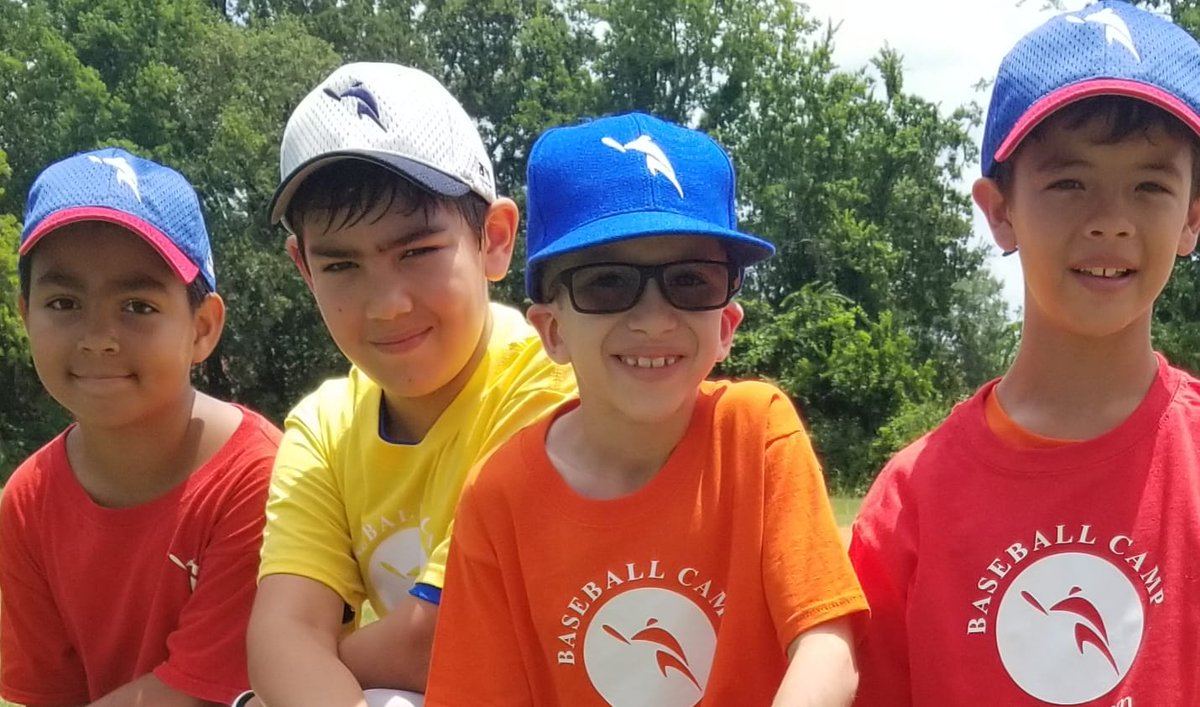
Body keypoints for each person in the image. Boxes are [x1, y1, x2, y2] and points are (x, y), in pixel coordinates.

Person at [425, 112, 867, 706]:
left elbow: (828, 649)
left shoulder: (756, 434)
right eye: (607, 283)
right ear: (551, 329)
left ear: (726, 325)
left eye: (691, 281)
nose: (654, 319)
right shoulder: (499, 497)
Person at [850, 2, 1200, 705]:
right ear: (999, 211)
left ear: (1193, 217)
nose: (1110, 219)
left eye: (1150, 185)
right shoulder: (911, 502)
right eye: (1068, 182)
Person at [244, 63, 575, 707]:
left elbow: (455, 633)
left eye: (417, 252)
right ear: (304, 268)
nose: (387, 305)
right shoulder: (323, 427)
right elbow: (283, 631)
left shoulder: (549, 383)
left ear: (494, 240)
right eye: (341, 264)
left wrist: (305, 669)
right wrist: (292, 666)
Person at [0, 147, 281, 705]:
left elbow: (196, 696)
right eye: (64, 303)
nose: (98, 337)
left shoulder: (259, 480)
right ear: (25, 314)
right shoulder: (27, 503)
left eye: (138, 306)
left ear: (203, 327)